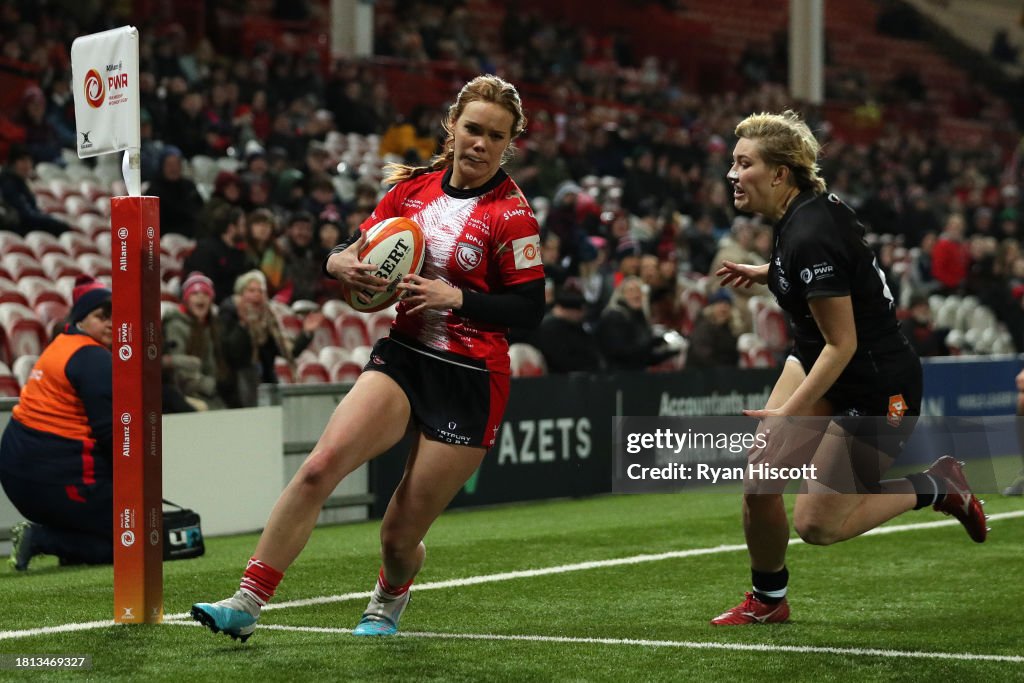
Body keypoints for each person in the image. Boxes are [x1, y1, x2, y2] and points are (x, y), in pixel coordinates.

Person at [191, 74, 544, 641]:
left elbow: (531, 308)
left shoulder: (513, 214)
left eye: (495, 137)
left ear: (509, 144)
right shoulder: (412, 192)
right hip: (404, 356)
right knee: (317, 468)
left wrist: (457, 297)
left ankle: (388, 599)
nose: (480, 144)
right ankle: (247, 601)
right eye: (473, 129)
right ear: (451, 128)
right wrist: (338, 266)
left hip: (471, 379)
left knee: (399, 536)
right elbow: (348, 249)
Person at [711, 110, 987, 626]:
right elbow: (832, 277)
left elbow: (843, 344)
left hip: (878, 385)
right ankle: (769, 600)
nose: (731, 173)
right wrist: (768, 272)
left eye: (743, 163)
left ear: (779, 174)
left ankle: (938, 485)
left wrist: (786, 414)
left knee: (818, 527)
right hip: (819, 358)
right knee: (760, 477)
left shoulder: (810, 231)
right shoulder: (804, 215)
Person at [1, 276, 113, 570]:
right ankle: (43, 540)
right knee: (131, 537)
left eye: (116, 317)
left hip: (20, 473)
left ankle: (64, 543)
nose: (111, 323)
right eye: (102, 317)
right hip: (54, 475)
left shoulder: (62, 344)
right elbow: (110, 434)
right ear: (81, 318)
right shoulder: (93, 356)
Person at [163, 272, 227, 411]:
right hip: (182, 393)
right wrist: (212, 385)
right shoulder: (176, 325)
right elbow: (179, 374)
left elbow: (211, 367)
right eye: (195, 293)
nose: (200, 297)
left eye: (205, 294)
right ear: (186, 299)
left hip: (205, 390)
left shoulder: (209, 327)